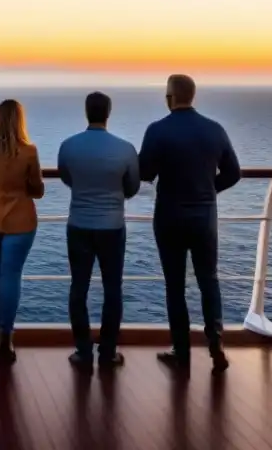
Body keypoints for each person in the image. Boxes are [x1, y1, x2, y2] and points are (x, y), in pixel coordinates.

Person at [139, 74, 241, 374]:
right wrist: (209, 190)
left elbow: (144, 172)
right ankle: (216, 344)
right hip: (204, 217)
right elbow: (233, 173)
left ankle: (181, 351)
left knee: (175, 286)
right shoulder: (214, 129)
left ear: (170, 97)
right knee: (209, 280)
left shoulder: (158, 130)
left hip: (169, 216)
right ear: (192, 96)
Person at [58, 91, 140, 370]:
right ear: (108, 112)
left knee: (78, 289)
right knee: (112, 289)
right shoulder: (126, 149)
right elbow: (132, 188)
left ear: (86, 112)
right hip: (112, 227)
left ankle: (82, 352)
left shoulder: (68, 146)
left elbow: (67, 177)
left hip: (79, 225)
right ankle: (107, 352)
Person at [0, 99, 44, 364]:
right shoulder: (29, 151)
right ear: (19, 121)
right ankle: (7, 336)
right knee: (11, 275)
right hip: (21, 221)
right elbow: (38, 189)